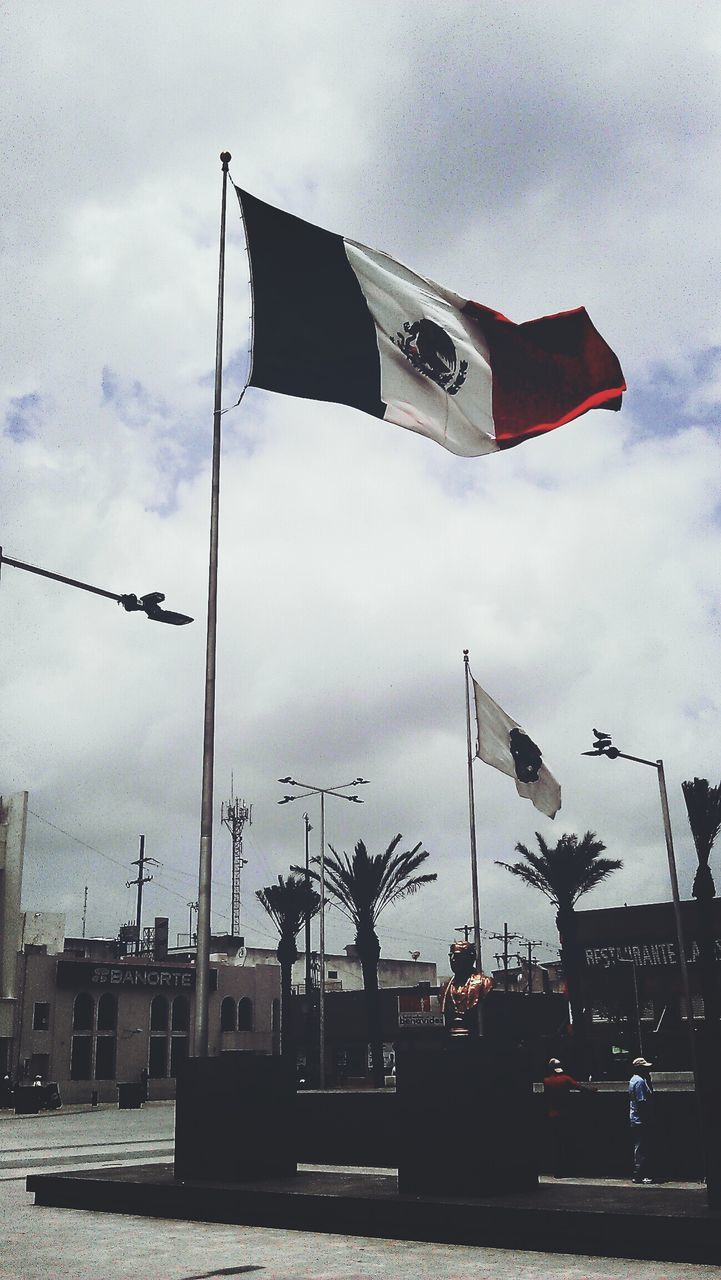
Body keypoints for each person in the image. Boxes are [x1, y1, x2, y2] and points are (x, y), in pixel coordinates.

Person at [543, 1057, 596, 1177]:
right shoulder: (565, 1079)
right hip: (564, 1115)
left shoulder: (546, 1081)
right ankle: (566, 1169)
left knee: (556, 1143)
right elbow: (580, 1088)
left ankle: (557, 1170)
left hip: (552, 1115)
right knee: (565, 1142)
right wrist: (592, 1090)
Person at [439, 941, 494, 1037]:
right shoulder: (445, 986)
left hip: (474, 1036)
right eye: (450, 956)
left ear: (470, 958)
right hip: (451, 1038)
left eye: (457, 956)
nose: (452, 960)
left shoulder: (484, 983)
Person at [629, 1056, 656, 1183]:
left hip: (635, 1117)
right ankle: (640, 1174)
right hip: (641, 1119)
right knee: (642, 1147)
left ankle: (639, 1173)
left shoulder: (634, 1080)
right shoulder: (640, 1082)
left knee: (640, 1146)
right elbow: (642, 1102)